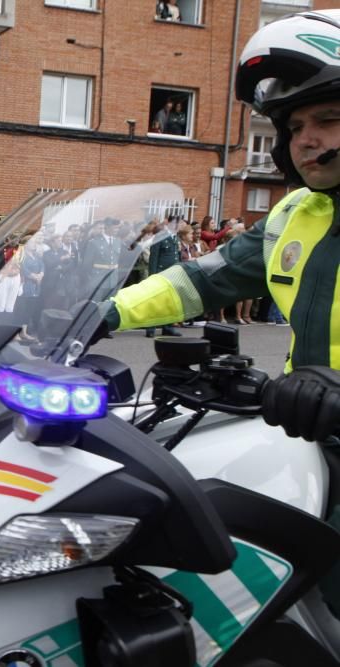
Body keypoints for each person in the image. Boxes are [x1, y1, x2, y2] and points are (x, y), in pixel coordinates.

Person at [106, 10, 340, 619]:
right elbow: (198, 279)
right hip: (308, 429)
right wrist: (100, 310)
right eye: (294, 126)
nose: (307, 140)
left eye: (329, 119)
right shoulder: (294, 215)